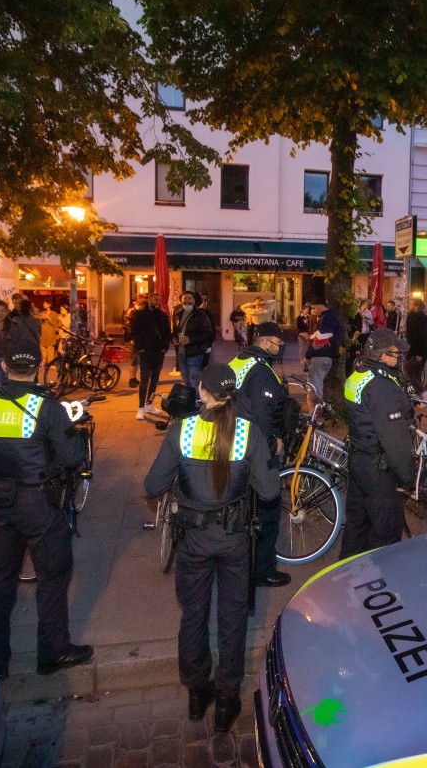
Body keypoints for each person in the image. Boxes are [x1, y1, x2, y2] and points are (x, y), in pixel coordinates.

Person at [142, 364, 278, 734]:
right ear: (233, 393)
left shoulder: (182, 430)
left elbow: (153, 484)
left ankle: (197, 694)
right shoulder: (249, 433)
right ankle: (227, 699)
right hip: (234, 540)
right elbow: (269, 492)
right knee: (232, 619)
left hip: (194, 541)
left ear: (202, 391)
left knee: (193, 615)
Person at [0, 338, 93, 681]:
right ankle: (52, 652)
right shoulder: (47, 408)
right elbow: (73, 458)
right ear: (38, 367)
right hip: (38, 504)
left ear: (5, 367)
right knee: (52, 579)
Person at [227, 321, 292, 587]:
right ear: (265, 342)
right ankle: (263, 569)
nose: (280, 349)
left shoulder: (239, 360)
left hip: (233, 440)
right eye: (277, 344)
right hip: (254, 447)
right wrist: (272, 443)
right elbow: (263, 415)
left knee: (242, 506)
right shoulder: (261, 372)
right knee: (267, 508)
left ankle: (241, 563)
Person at [341, 329, 415, 557]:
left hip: (358, 460)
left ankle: (344, 578)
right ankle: (379, 585)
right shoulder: (382, 386)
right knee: (386, 533)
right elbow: (395, 439)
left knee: (357, 525)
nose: (399, 358)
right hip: (379, 470)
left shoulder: (358, 375)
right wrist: (406, 479)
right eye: (395, 354)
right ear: (383, 356)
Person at [130, 293, 171, 420]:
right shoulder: (140, 314)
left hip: (159, 352)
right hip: (146, 352)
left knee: (155, 380)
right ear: (149, 300)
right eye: (155, 299)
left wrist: (165, 347)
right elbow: (134, 332)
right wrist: (140, 348)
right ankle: (141, 407)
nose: (157, 301)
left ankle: (149, 404)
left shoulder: (163, 315)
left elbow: (167, 332)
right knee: (144, 380)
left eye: (159, 299)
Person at [174, 290, 214, 387]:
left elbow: (207, 333)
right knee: (185, 379)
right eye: (185, 298)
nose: (187, 300)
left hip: (195, 352)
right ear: (181, 300)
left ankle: (196, 401)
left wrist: (190, 339)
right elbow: (175, 331)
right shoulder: (177, 315)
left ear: (194, 301)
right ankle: (189, 400)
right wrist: (174, 339)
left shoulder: (201, 315)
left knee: (194, 379)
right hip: (181, 351)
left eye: (189, 298)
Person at [304, 299, 342, 399]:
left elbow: (320, 341)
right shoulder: (329, 317)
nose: (312, 311)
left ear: (320, 306)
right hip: (326, 355)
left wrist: (308, 355)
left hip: (320, 356)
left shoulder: (327, 319)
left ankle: (316, 412)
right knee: (317, 384)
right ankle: (317, 410)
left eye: (314, 308)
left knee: (314, 386)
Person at [403, 299, 427, 392]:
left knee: (408, 370)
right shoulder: (419, 318)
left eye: (411, 304)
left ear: (416, 307)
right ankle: (417, 395)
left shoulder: (416, 318)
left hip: (417, 350)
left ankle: (422, 393)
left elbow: (421, 336)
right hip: (417, 349)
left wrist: (419, 353)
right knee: (416, 373)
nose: (409, 306)